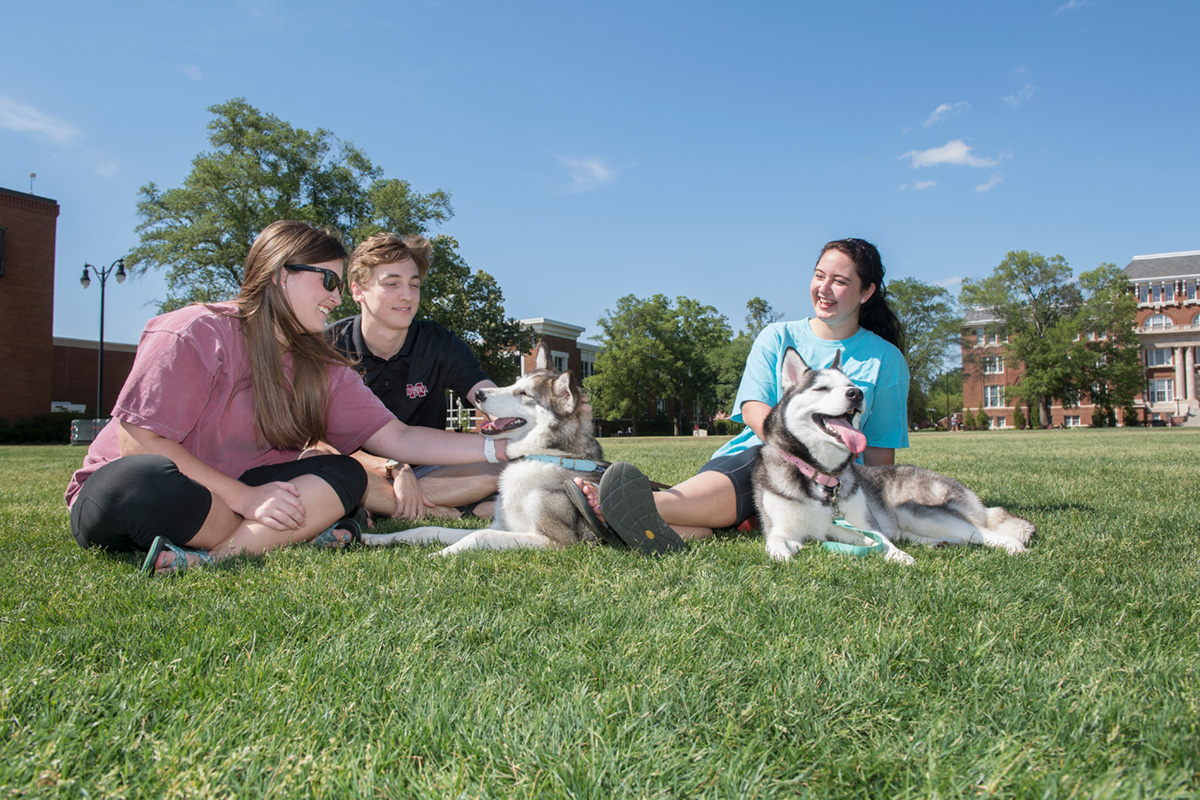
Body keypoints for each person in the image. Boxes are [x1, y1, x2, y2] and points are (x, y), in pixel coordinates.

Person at [64, 221, 512, 576]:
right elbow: (137, 444)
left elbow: (397, 436)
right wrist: (245, 499)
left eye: (339, 285)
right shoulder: (193, 331)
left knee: (344, 473)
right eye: (328, 282)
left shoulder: (319, 363)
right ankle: (285, 532)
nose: (336, 298)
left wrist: (506, 446)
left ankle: (221, 555)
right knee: (139, 482)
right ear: (280, 275)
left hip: (240, 496)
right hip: (154, 491)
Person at [576, 237, 909, 541]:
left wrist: (867, 505)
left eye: (839, 281)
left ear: (866, 293)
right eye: (819, 275)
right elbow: (753, 409)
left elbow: (879, 452)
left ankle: (623, 513)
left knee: (715, 524)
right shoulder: (777, 337)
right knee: (766, 460)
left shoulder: (886, 359)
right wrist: (797, 453)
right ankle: (651, 508)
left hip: (829, 484)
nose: (824, 288)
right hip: (757, 457)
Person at [325, 232, 501, 520]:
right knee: (326, 469)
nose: (407, 295)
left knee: (511, 461)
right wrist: (392, 467)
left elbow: (487, 396)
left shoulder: (439, 342)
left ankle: (380, 506)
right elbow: (317, 444)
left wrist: (534, 412)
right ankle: (458, 511)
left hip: (433, 469)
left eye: (414, 284)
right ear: (357, 291)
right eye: (392, 283)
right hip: (359, 467)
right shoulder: (328, 347)